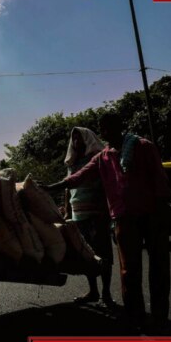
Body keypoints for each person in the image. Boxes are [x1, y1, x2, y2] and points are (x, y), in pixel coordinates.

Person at [44, 112, 171, 333]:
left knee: (158, 266)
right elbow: (79, 177)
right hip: (123, 218)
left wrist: (161, 213)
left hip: (152, 215)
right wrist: (50, 187)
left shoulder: (143, 146)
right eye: (102, 128)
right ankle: (135, 314)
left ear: (120, 125)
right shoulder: (103, 156)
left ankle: (160, 316)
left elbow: (160, 180)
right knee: (128, 270)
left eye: (109, 126)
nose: (105, 131)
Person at [63, 127, 114, 306]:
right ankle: (93, 291)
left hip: (96, 213)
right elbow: (68, 188)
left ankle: (106, 293)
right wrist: (67, 210)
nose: (76, 143)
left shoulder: (97, 160)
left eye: (80, 139)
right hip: (78, 215)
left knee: (103, 254)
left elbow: (106, 186)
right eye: (74, 139)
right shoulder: (72, 164)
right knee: (87, 255)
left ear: (87, 139)